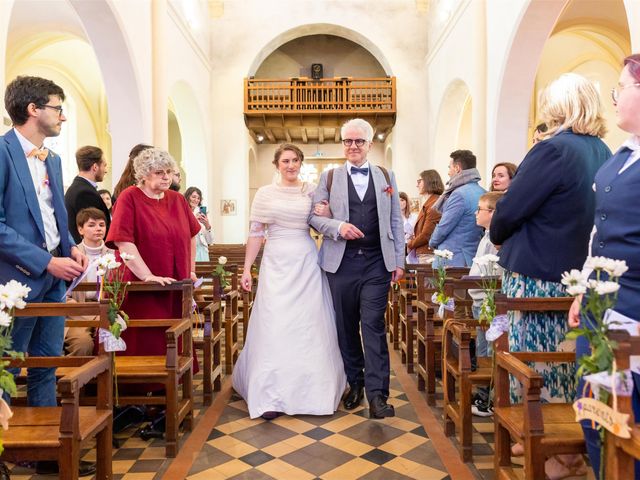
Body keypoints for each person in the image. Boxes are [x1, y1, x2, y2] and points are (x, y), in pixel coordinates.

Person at [491, 72, 611, 479]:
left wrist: (496, 232)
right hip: (580, 277)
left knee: (534, 360)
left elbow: (509, 210)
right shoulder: (603, 151)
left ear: (557, 107)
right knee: (569, 358)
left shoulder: (552, 150)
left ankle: (550, 449)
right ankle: (568, 445)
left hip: (537, 274)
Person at [0, 75, 92, 477]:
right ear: (33, 109)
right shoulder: (2, 153)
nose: (63, 117)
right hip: (16, 283)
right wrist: (43, 260)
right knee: (7, 367)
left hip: (54, 279)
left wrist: (71, 245)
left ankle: (45, 452)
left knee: (45, 366)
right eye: (57, 108)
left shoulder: (51, 158)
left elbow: (55, 216)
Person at [233, 143, 346, 419]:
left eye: (295, 160)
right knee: (276, 320)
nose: (291, 165)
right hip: (275, 262)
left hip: (306, 258)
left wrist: (326, 211)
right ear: (277, 164)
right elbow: (256, 233)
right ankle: (270, 390)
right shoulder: (264, 194)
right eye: (285, 160)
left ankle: (312, 389)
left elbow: (323, 221)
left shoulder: (310, 191)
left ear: (300, 163)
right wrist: (247, 268)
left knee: (308, 320)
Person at [567, 54, 640, 480]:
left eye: (621, 88)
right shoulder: (621, 155)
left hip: (631, 311)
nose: (613, 98)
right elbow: (599, 231)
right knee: (595, 405)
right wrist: (583, 288)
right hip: (600, 305)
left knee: (626, 412)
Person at [309, 118, 404, 419]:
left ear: (369, 145)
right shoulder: (329, 177)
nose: (353, 146)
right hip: (341, 263)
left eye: (358, 141)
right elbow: (313, 217)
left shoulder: (386, 175)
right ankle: (356, 383)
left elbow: (395, 221)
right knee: (346, 327)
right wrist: (338, 226)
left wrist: (399, 260)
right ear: (343, 145)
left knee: (373, 325)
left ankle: (378, 397)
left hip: (377, 261)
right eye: (348, 141)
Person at [466, 191, 504, 417]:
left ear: (492, 213)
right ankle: (483, 395)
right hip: (479, 298)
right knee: (482, 349)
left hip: (487, 300)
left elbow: (493, 271)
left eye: (479, 209)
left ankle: (488, 398)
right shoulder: (486, 235)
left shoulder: (495, 239)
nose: (475, 213)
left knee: (489, 350)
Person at [64, 207, 113, 356]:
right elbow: (62, 294)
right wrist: (90, 315)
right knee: (83, 344)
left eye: (101, 224)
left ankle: (111, 379)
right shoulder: (69, 255)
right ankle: (76, 380)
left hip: (106, 310)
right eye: (91, 225)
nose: (98, 229)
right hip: (76, 312)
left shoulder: (115, 254)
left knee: (113, 340)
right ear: (80, 229)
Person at [429, 149, 485, 267]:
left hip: (454, 259)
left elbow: (444, 226)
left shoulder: (459, 194)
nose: (449, 172)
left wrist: (432, 242)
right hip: (472, 256)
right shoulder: (483, 193)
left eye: (449, 168)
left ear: (457, 168)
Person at [64, 145, 111, 243]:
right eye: (104, 165)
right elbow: (93, 230)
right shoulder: (84, 193)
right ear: (95, 167)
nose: (105, 170)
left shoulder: (78, 187)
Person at [407, 169, 444, 264]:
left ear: (428, 181)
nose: (417, 185)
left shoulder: (434, 204)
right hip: (424, 252)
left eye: (419, 181)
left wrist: (410, 244)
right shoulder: (430, 202)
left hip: (428, 254)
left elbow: (426, 235)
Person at [184, 186, 214, 261]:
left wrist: (207, 226)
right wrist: (194, 220)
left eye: (198, 198)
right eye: (193, 197)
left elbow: (210, 241)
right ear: (187, 197)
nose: (196, 200)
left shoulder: (201, 214)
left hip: (203, 252)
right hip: (189, 251)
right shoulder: (182, 213)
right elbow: (183, 233)